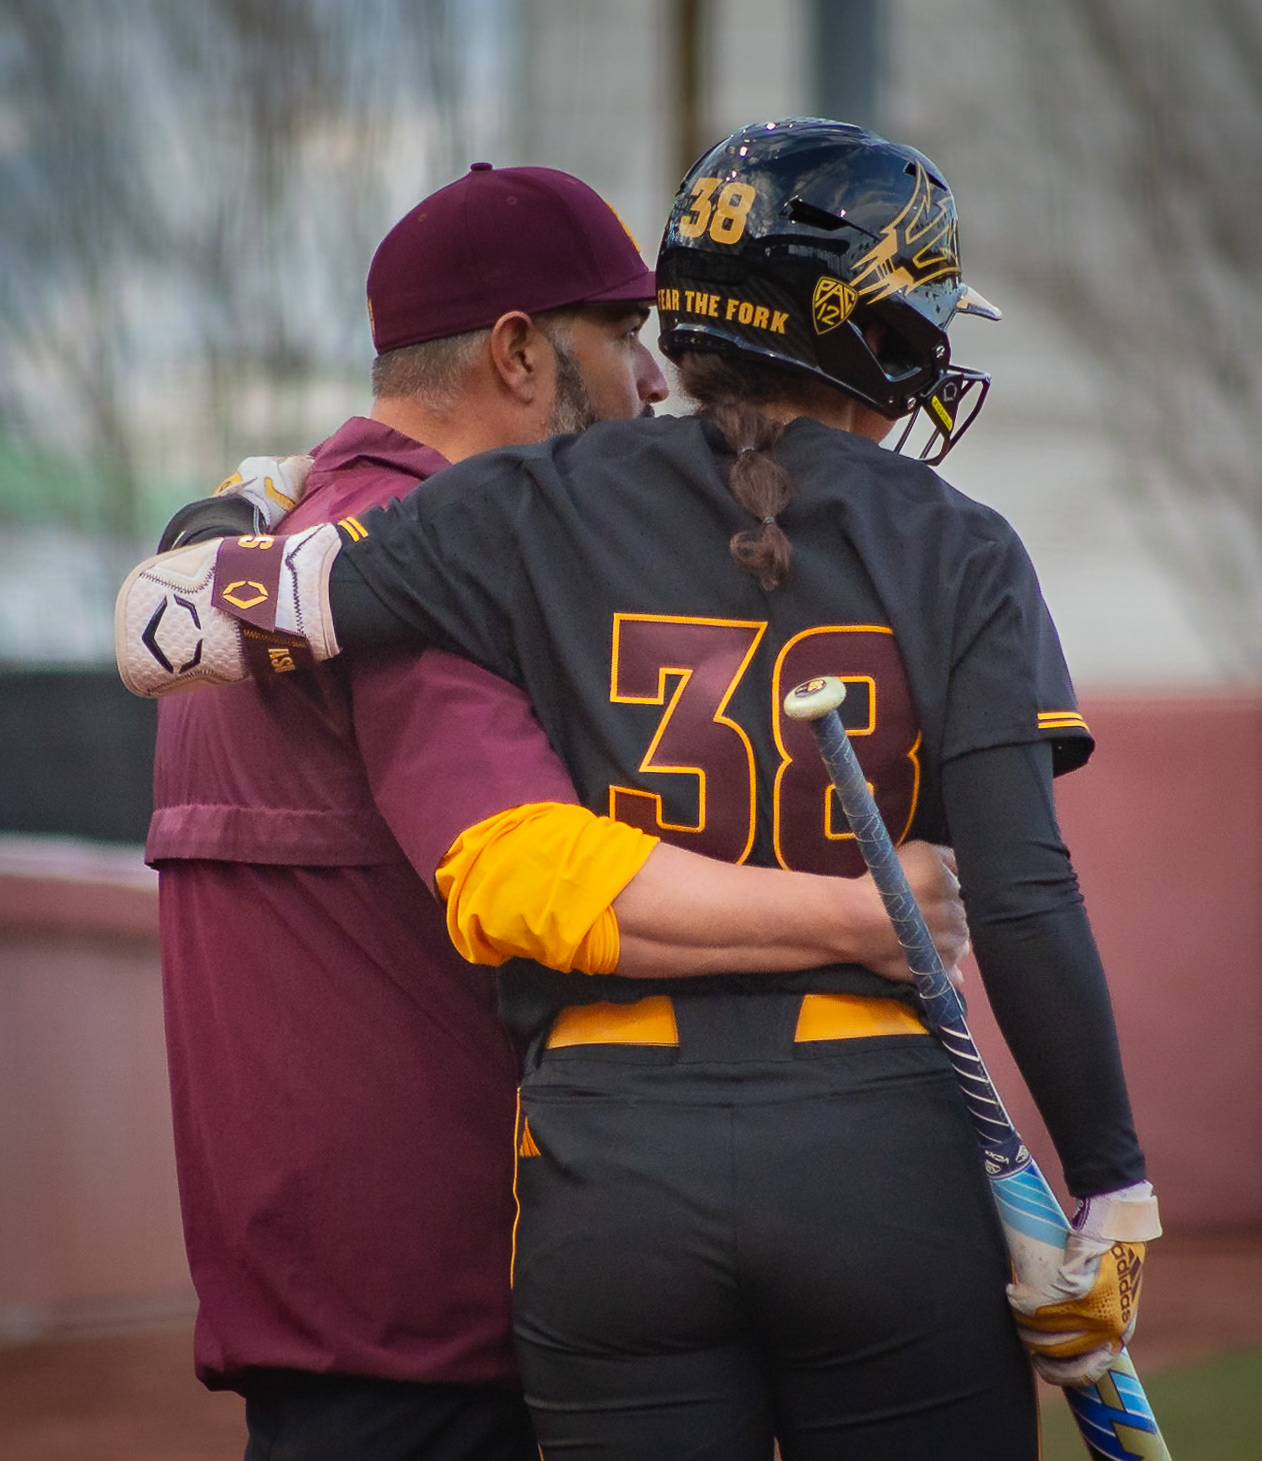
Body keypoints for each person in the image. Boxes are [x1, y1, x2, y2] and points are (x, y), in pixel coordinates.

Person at [119, 119, 1163, 1459]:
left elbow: (166, 635)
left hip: (607, 1167)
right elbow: (1019, 890)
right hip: (877, 1145)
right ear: (881, 337)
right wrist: (1108, 1185)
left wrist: (238, 522)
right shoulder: (957, 546)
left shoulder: (518, 508)